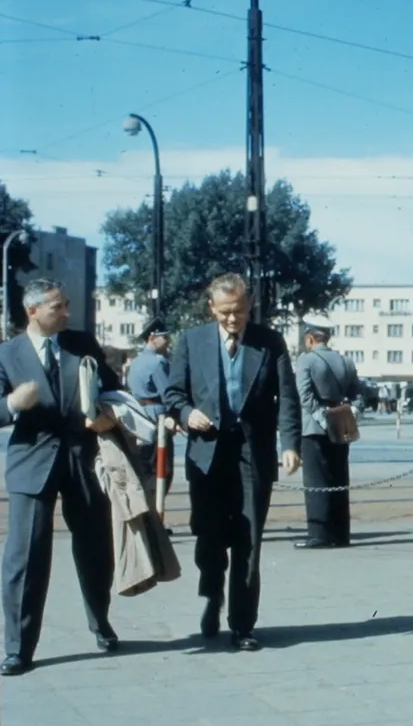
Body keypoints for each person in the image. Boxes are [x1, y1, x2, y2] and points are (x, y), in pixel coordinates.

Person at [165, 274, 301, 651]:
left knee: (249, 542)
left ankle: (243, 625)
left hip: (251, 454)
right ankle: (212, 591)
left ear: (250, 304)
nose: (232, 319)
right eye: (224, 313)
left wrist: (289, 444)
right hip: (207, 453)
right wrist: (187, 412)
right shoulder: (191, 342)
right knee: (209, 539)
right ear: (212, 308)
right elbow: (173, 393)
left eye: (239, 312)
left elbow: (287, 398)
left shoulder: (269, 342)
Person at [0, 279, 121, 675]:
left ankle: (100, 622)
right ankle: (18, 647)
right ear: (32, 310)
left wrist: (107, 416)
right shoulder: (7, 353)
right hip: (31, 462)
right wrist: (12, 404)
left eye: (67, 304)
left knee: (95, 547)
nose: (66, 312)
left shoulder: (81, 343)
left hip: (81, 459)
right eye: (57, 307)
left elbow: (112, 389)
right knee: (25, 556)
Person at [294, 324, 360, 550]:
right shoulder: (346, 361)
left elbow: (305, 395)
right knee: (340, 479)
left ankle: (319, 534)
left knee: (316, 481)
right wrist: (347, 414)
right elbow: (357, 394)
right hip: (341, 425)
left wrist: (323, 418)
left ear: (311, 338)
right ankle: (341, 534)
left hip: (314, 428)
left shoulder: (306, 360)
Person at [126, 316, 177, 499]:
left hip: (139, 416)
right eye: (165, 337)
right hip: (158, 417)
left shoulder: (136, 361)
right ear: (153, 337)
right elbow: (169, 394)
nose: (167, 342)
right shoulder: (158, 362)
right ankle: (155, 519)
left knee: (144, 467)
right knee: (162, 469)